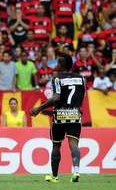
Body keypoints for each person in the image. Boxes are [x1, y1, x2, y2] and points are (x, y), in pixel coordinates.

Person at [31, 53, 86, 183]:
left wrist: (39, 108)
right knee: (74, 144)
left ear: (61, 65)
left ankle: (55, 176)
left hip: (60, 115)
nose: (56, 65)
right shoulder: (81, 79)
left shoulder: (57, 78)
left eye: (58, 63)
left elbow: (56, 97)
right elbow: (82, 96)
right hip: (75, 114)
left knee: (56, 146)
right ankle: (76, 171)